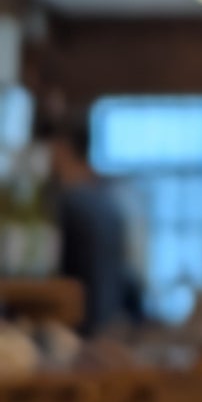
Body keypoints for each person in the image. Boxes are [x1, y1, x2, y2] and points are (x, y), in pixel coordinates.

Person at [44, 118, 144, 333]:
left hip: (72, 328)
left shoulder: (67, 205)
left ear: (62, 149)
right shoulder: (110, 205)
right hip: (106, 325)